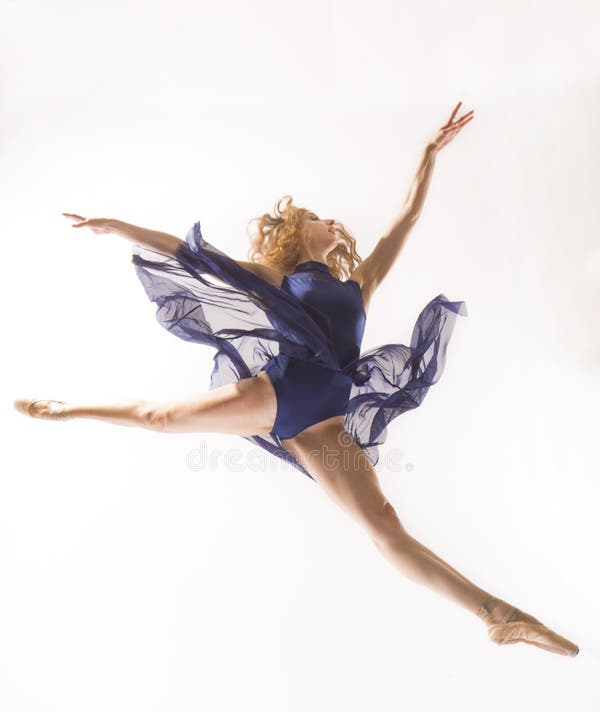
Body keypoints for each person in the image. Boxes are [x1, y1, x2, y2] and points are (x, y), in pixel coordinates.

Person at [14, 102, 579, 657]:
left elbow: (404, 218)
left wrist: (428, 154)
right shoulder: (276, 276)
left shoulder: (361, 283)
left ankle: (496, 615)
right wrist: (119, 228)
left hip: (326, 418)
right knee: (161, 418)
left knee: (383, 524)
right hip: (281, 390)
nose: (333, 221)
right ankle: (66, 408)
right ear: (294, 232)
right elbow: (195, 256)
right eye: (318, 217)